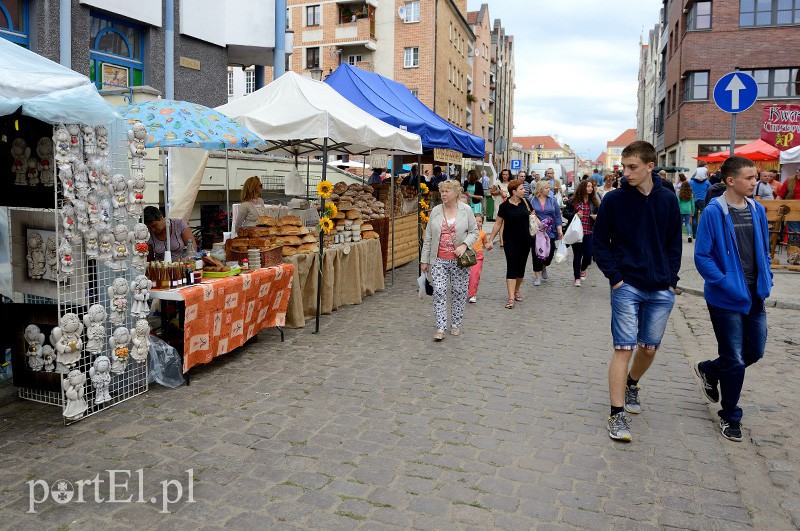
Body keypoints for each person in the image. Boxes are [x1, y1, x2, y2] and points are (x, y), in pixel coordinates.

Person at [593, 140, 681, 443]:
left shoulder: (667, 199)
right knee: (624, 348)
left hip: (660, 287)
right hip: (626, 284)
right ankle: (616, 414)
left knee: (648, 348)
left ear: (649, 167)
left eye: (632, 167)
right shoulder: (614, 200)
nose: (626, 172)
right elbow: (600, 244)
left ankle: (633, 383)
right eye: (624, 167)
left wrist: (671, 280)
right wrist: (615, 277)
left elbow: (674, 243)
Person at [693, 156, 773, 442]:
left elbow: (763, 249)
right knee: (735, 358)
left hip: (755, 294)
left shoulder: (758, 209)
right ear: (730, 180)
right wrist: (724, 283)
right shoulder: (715, 212)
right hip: (725, 298)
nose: (755, 182)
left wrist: (767, 277)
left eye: (756, 177)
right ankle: (730, 415)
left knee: (755, 351)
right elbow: (702, 256)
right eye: (750, 178)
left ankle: (710, 369)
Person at [420, 180, 478, 341]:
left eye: (447, 191)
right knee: (439, 291)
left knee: (459, 292)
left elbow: (474, 231)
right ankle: (440, 326)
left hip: (459, 260)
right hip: (439, 259)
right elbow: (429, 236)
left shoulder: (466, 210)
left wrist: (464, 245)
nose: (443, 194)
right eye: (442, 191)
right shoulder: (437, 211)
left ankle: (456, 323)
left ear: (456, 193)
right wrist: (424, 259)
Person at [486, 180, 531, 309]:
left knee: (520, 269)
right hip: (510, 241)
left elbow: (534, 218)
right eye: (521, 189)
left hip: (525, 240)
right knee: (512, 267)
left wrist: (543, 225)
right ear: (514, 192)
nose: (524, 191)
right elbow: (498, 224)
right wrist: (490, 240)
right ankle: (511, 297)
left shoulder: (526, 203)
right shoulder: (504, 206)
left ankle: (517, 289)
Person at [564, 179, 599, 286]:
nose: (590, 188)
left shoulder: (594, 202)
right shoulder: (573, 201)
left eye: (591, 187)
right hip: (576, 232)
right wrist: (575, 214)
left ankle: (583, 269)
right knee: (577, 255)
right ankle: (577, 278)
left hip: (589, 232)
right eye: (588, 186)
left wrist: (595, 217)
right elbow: (565, 213)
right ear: (583, 188)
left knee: (588, 255)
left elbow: (600, 214)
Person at [529, 179, 563, 286]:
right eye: (547, 188)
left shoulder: (552, 200)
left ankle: (544, 266)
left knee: (550, 253)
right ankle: (537, 276)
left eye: (549, 188)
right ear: (541, 189)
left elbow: (557, 215)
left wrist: (560, 229)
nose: (549, 190)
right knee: (537, 254)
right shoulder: (532, 200)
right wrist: (538, 223)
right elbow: (530, 214)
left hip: (550, 231)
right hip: (537, 231)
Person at [468, 214, 489, 303]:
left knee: (474, 276)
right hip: (467, 256)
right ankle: (466, 291)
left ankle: (473, 294)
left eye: (480, 221)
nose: (477, 223)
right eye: (476, 221)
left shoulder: (483, 233)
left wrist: (489, 245)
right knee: (467, 276)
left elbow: (485, 243)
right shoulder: (467, 232)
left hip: (478, 257)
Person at [777, 167, 800, 244]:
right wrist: (776, 207)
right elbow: (780, 195)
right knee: (794, 233)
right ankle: (794, 254)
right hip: (792, 211)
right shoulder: (790, 180)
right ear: (797, 172)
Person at [490, 169, 513, 244]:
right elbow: (492, 192)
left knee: (507, 222)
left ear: (509, 175)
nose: (505, 176)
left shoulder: (511, 183)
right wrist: (498, 192)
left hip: (508, 203)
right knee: (500, 221)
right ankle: (501, 240)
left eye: (506, 174)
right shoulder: (497, 183)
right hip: (499, 203)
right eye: (503, 174)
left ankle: (506, 238)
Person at [690, 161, 712, 237]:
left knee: (694, 217)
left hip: (694, 200)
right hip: (703, 200)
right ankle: (701, 233)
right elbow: (711, 189)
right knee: (703, 217)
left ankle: (694, 234)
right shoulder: (706, 182)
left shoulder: (691, 182)